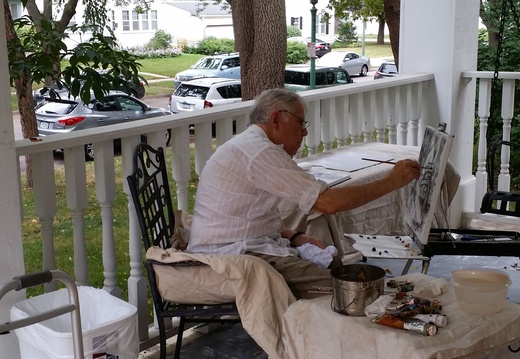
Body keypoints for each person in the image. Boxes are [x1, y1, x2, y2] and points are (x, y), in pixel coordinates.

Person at [187, 88, 420, 299]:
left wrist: (295, 237)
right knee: (346, 290)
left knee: (334, 262)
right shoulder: (259, 152)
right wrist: (392, 181)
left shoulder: (252, 145)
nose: (305, 131)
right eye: (301, 122)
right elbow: (328, 203)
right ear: (277, 119)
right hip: (228, 258)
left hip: (241, 246)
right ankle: (309, 341)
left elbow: (246, 219)